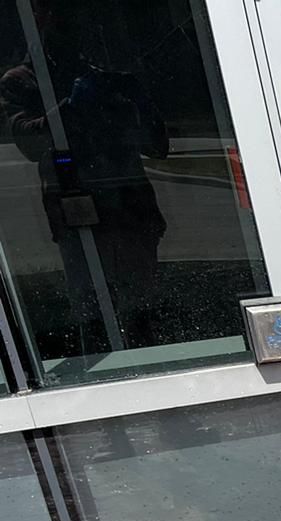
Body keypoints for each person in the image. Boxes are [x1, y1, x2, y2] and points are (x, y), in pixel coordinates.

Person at [1, 0, 168, 357]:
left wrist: (139, 104)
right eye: (55, 23)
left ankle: (153, 368)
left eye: (71, 25)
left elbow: (157, 146)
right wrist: (70, 106)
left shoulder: (107, 80)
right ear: (37, 27)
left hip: (130, 207)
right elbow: (30, 143)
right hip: (78, 210)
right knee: (91, 309)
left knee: (142, 307)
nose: (67, 34)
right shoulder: (22, 83)